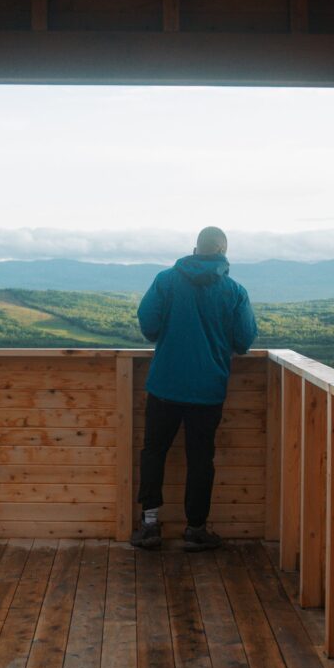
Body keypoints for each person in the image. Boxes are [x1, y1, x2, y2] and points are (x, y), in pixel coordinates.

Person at [130, 226, 258, 550]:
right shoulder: (235, 291)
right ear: (223, 253)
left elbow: (148, 324)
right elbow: (244, 340)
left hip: (165, 385)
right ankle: (196, 529)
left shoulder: (166, 280)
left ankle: (149, 526)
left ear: (195, 249)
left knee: (154, 452)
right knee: (200, 459)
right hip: (207, 390)